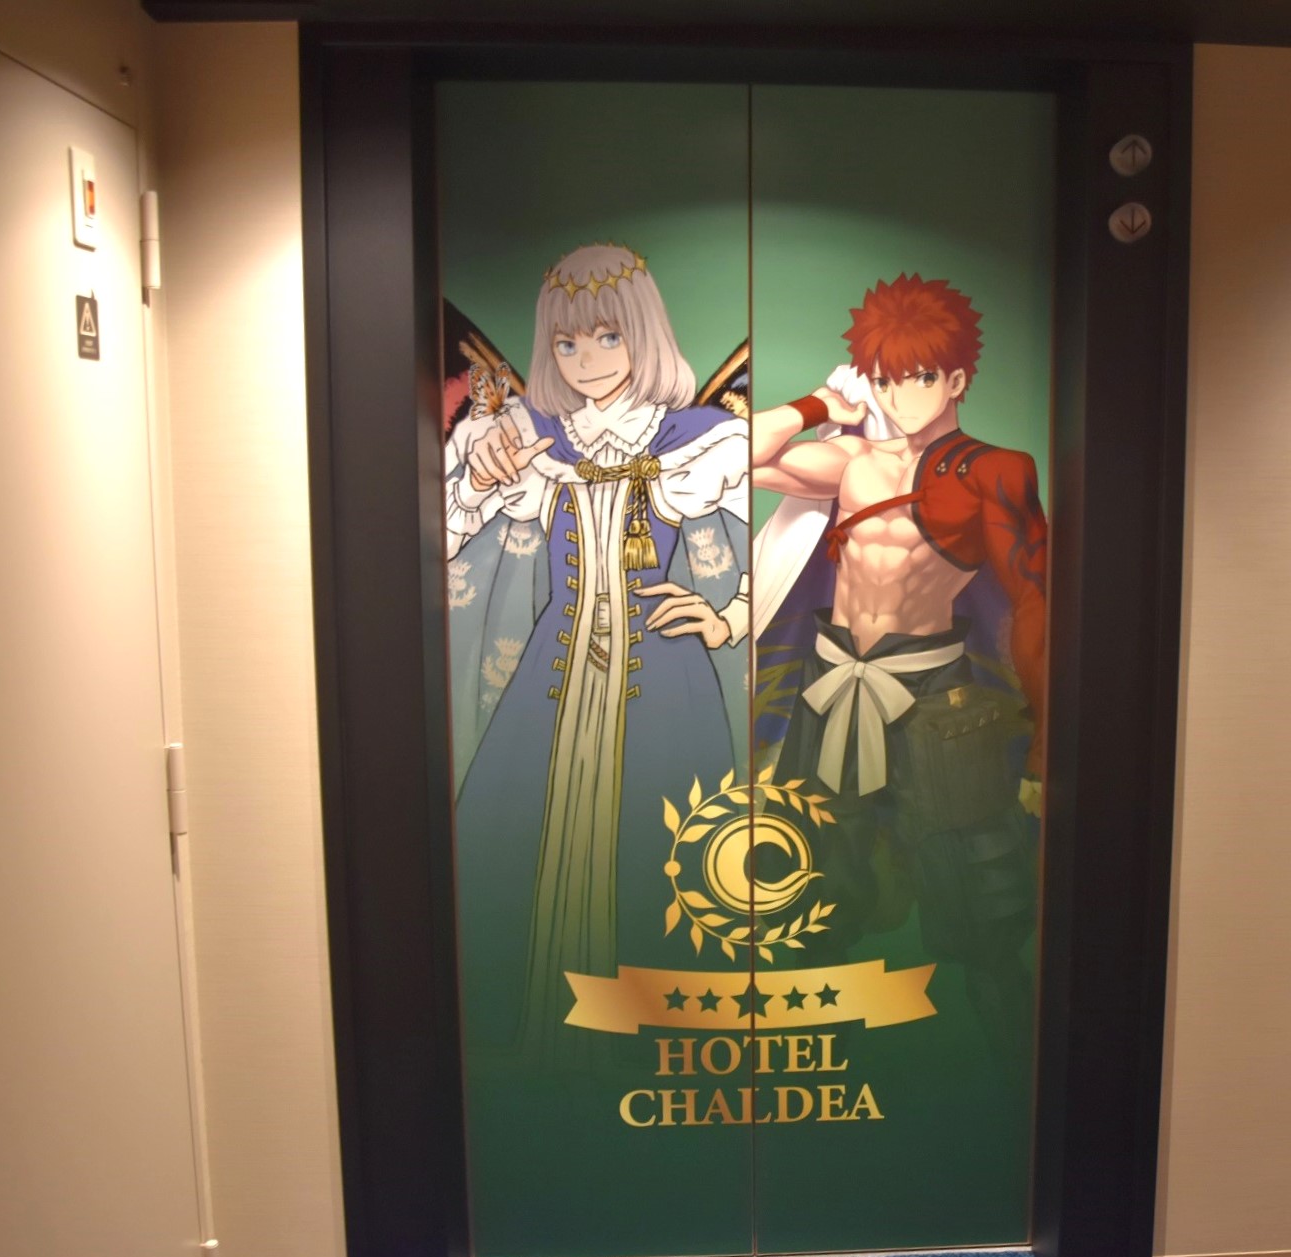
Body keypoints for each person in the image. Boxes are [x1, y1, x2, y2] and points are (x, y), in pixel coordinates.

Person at [446, 243, 750, 1057]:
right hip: (551, 684)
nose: (587, 360)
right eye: (567, 343)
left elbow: (794, 540)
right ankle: (533, 1046)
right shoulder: (527, 436)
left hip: (668, 687)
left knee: (669, 859)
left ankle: (654, 1047)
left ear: (644, 334)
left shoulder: (703, 439)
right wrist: (479, 481)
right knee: (513, 849)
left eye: (608, 336)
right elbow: (443, 537)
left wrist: (728, 617)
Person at [749, 273, 1047, 1061]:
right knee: (814, 872)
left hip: (932, 692)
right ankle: (809, 1061)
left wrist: (1044, 740)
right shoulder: (852, 461)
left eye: (918, 376)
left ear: (956, 379)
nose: (899, 395)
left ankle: (1010, 1064)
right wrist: (819, 405)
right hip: (833, 681)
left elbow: (1035, 599)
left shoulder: (994, 471)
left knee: (976, 885)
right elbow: (733, 458)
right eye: (885, 378)